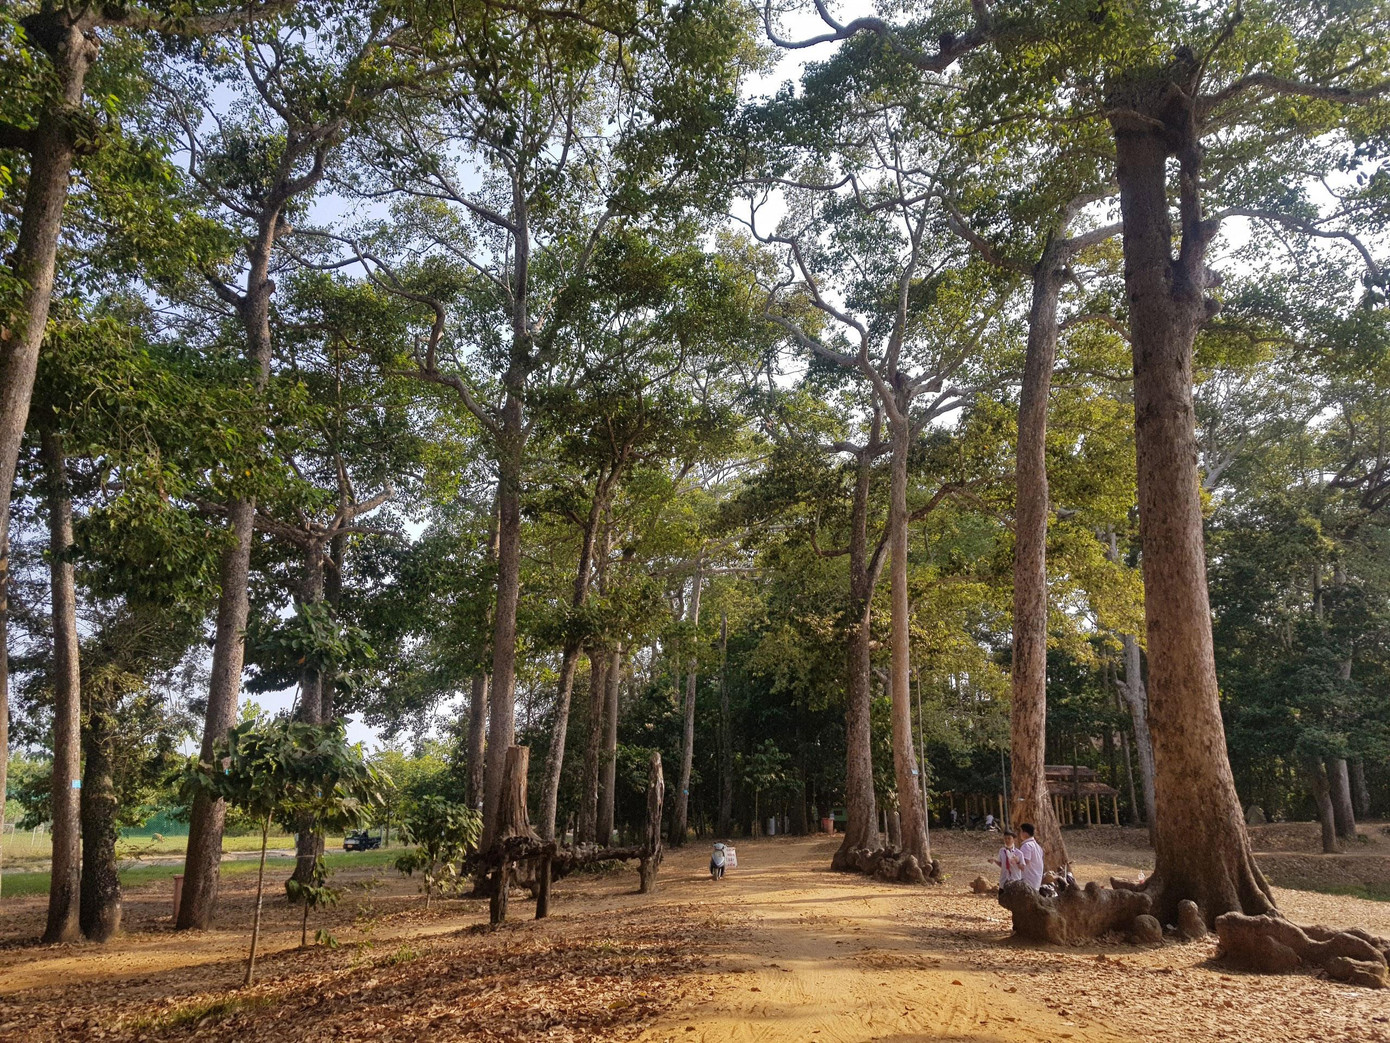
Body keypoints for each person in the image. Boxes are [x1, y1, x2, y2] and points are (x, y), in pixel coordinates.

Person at [1017, 822, 1045, 890]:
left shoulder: (1026, 846)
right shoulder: (1038, 846)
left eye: (1021, 831)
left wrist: (1015, 861)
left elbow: (1025, 862)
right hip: (1036, 880)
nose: (1020, 834)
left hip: (1028, 881)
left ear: (1025, 833)